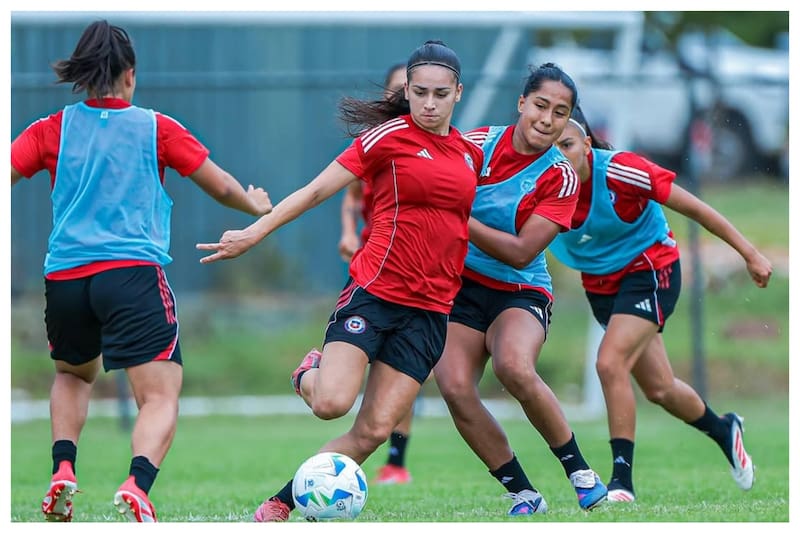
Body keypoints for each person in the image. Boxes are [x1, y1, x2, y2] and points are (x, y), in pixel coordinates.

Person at [196, 40, 483, 522]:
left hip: (431, 312)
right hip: (375, 294)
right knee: (330, 404)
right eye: (419, 93)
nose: (429, 104)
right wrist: (254, 231)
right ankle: (309, 371)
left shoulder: (470, 154)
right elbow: (313, 192)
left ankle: (282, 502)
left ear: (458, 92)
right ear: (407, 92)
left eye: (440, 93)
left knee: (372, 433)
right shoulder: (386, 138)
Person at [10, 20, 272, 523]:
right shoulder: (157, 127)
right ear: (130, 75)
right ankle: (138, 482)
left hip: (65, 279)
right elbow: (218, 186)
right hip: (131, 276)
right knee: (159, 393)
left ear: (82, 76)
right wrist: (254, 205)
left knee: (72, 375)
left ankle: (63, 468)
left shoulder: (50, 129)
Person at [550, 106, 772, 502]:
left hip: (650, 268)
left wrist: (750, 253)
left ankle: (621, 482)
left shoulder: (621, 171)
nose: (558, 157)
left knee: (608, 362)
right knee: (661, 388)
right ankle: (725, 430)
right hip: (601, 285)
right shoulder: (538, 187)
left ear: (586, 144)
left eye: (566, 145)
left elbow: (696, 208)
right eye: (548, 150)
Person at [432, 63, 607, 516]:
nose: (547, 120)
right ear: (522, 103)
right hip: (462, 289)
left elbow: (520, 251)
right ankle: (522, 492)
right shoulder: (474, 146)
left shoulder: (561, 177)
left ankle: (580, 473)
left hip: (519, 289)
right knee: (452, 386)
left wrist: (458, 220)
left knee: (513, 365)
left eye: (560, 112)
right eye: (541, 106)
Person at [338, 62, 415, 486]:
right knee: (339, 392)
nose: (410, 95)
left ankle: (396, 461)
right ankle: (317, 376)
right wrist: (349, 233)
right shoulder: (376, 143)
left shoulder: (442, 146)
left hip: (417, 281)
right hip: (371, 270)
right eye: (401, 88)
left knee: (401, 371)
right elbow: (348, 195)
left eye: (416, 88)